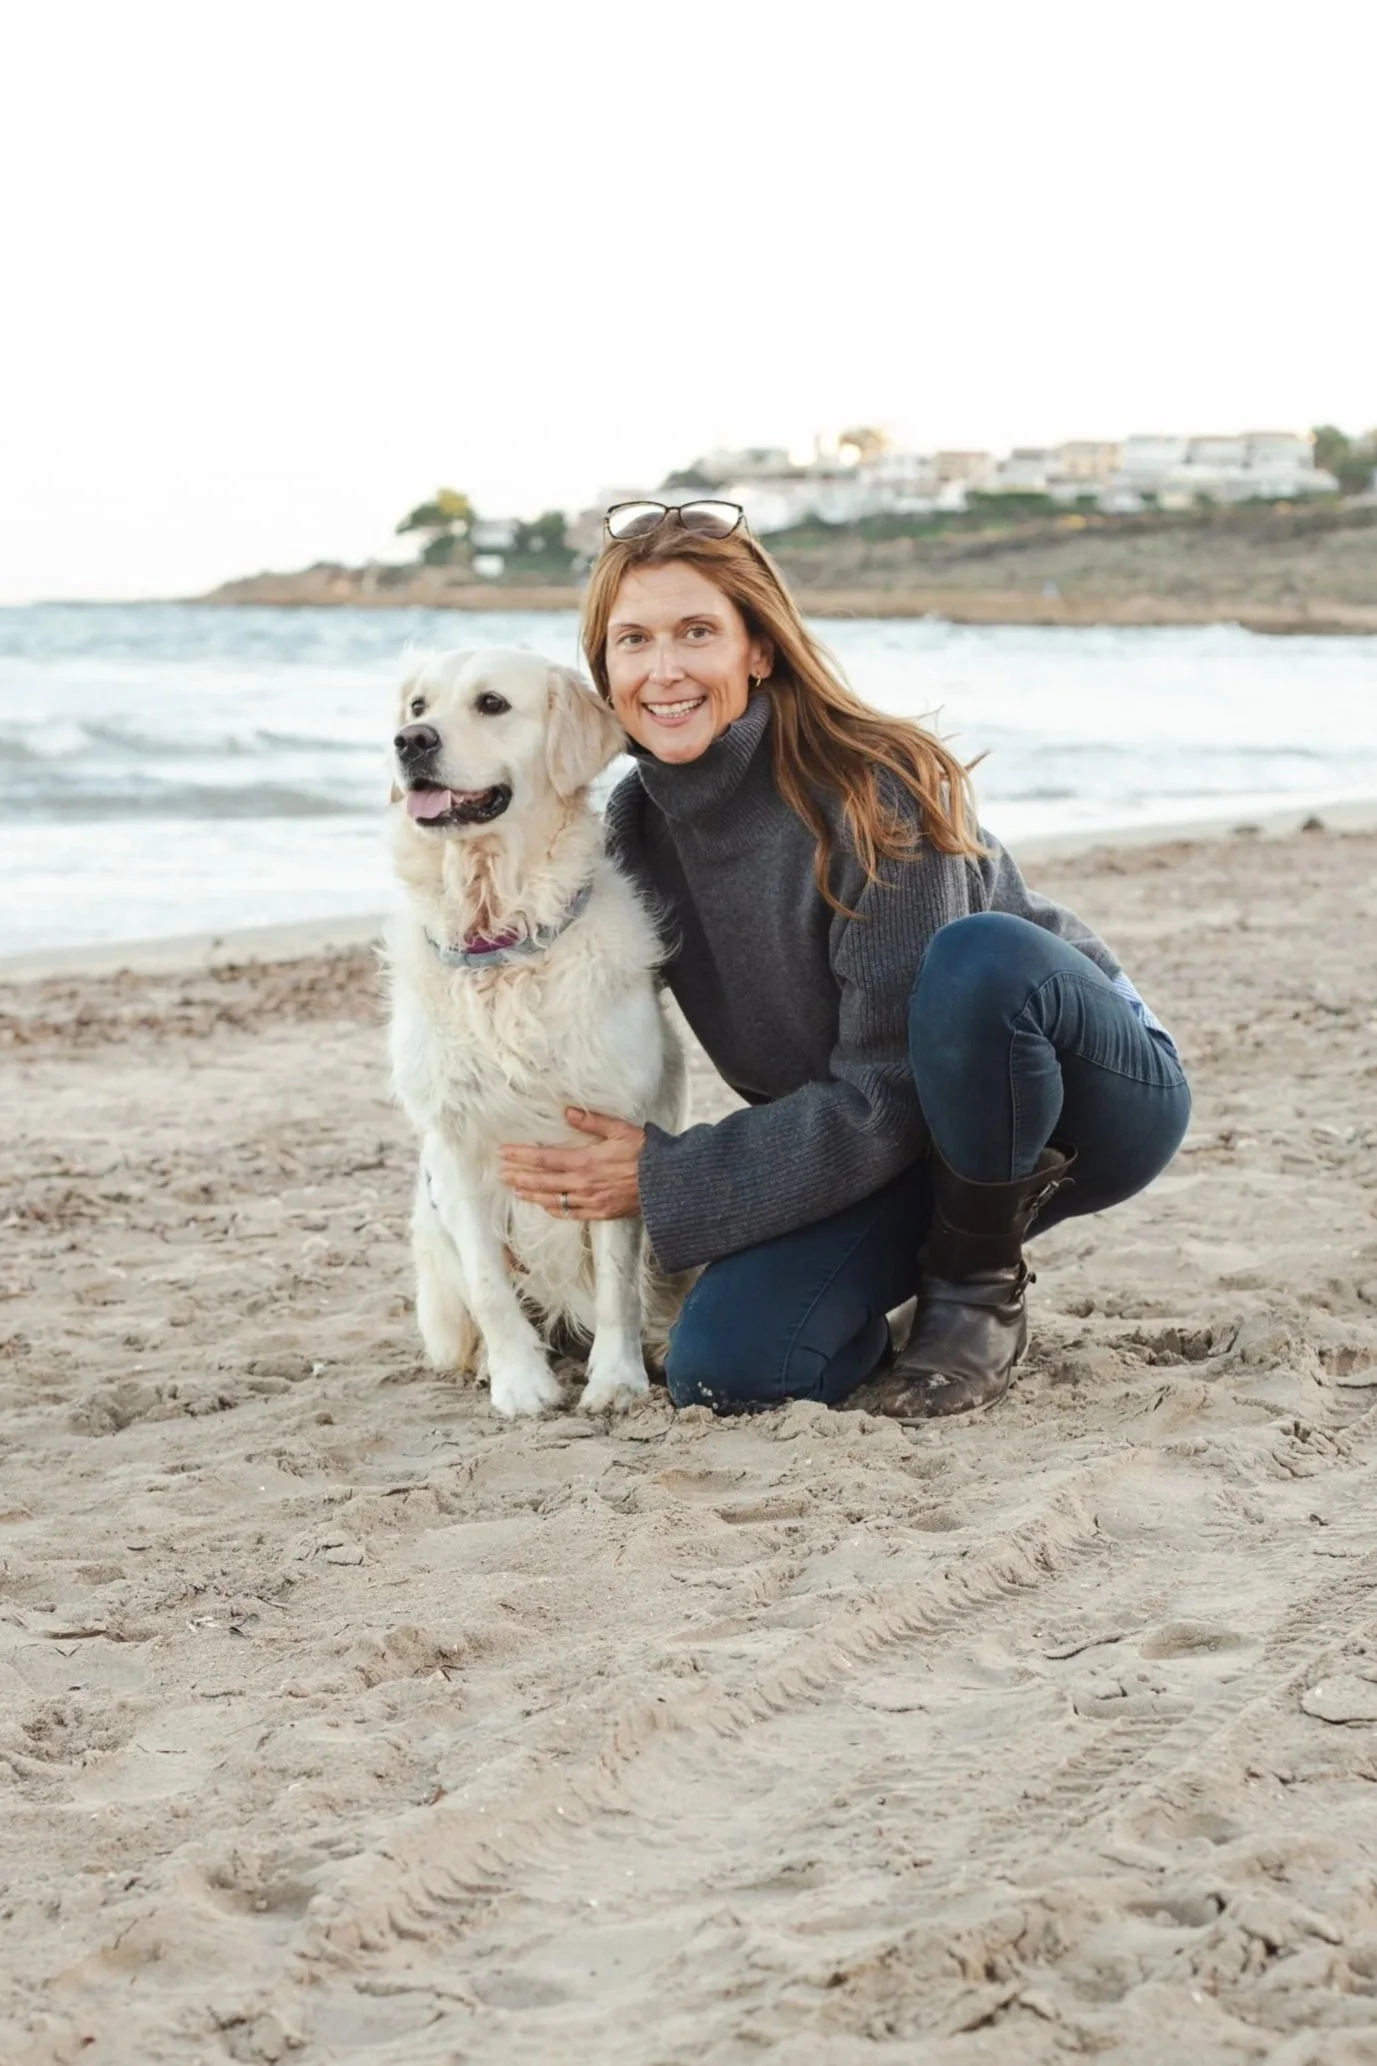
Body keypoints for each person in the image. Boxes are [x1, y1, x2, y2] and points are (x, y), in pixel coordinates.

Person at [500, 501, 1191, 1419]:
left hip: (1081, 1092)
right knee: (729, 1367)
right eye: (632, 641)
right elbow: (578, 1017)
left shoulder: (875, 787)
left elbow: (895, 1086)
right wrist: (524, 1207)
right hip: (891, 1141)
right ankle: (895, 1284)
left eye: (696, 632)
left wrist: (667, 1175)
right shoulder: (628, 829)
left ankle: (975, 1291)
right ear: (605, 669)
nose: (662, 670)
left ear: (759, 649)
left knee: (976, 958)